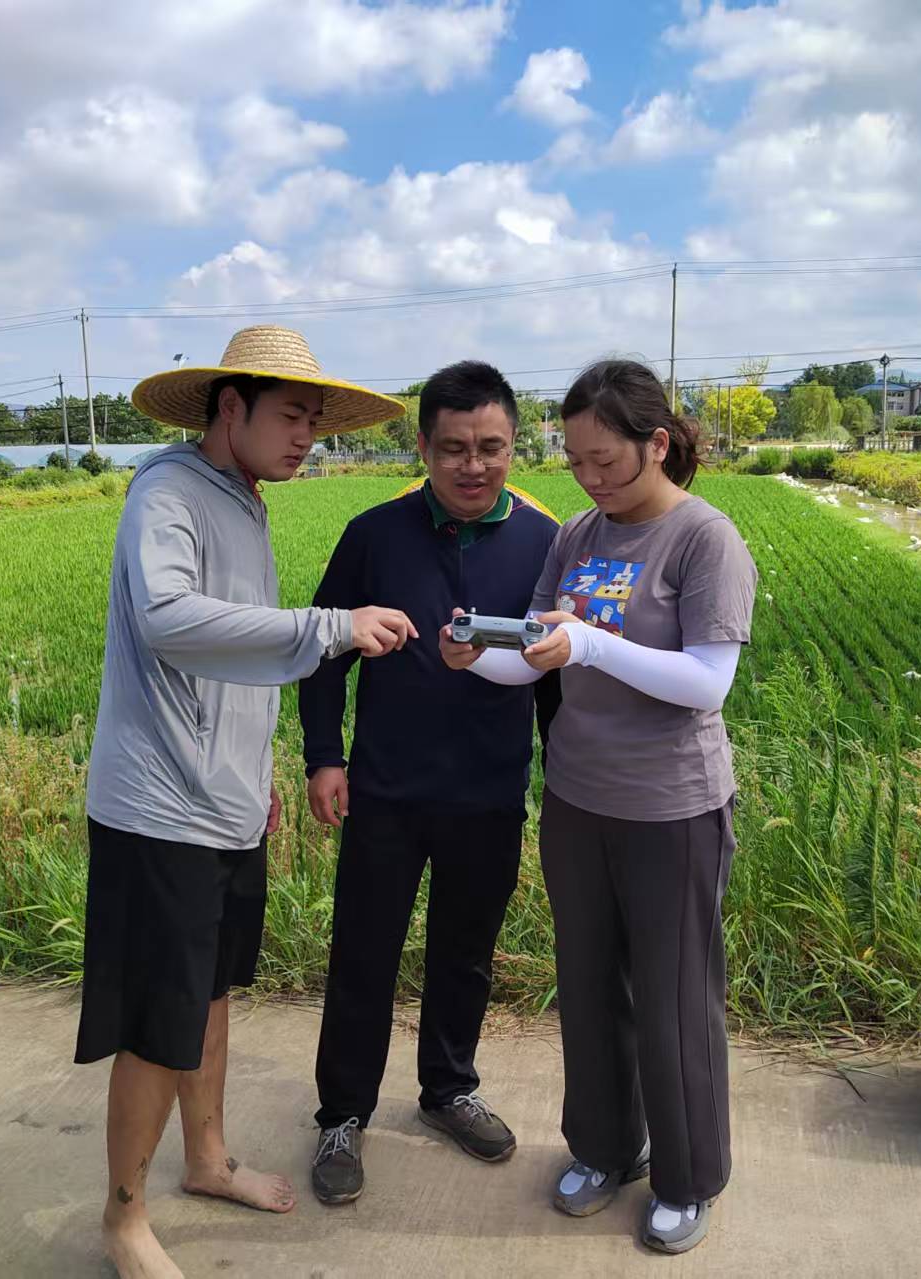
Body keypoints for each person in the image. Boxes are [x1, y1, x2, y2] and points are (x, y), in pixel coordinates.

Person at [78, 325, 418, 1279]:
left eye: (316, 417)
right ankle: (124, 1217)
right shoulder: (169, 492)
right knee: (158, 1020)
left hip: (221, 799)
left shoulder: (246, 500)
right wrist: (332, 626)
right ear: (230, 408)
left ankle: (209, 1159)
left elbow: (233, 662)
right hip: (158, 809)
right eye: (292, 414)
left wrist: (255, 764)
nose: (308, 433)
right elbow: (171, 619)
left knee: (212, 992)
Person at [439, 359, 756, 1256]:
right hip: (578, 799)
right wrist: (481, 655)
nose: (591, 478)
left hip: (673, 808)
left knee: (674, 997)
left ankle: (689, 1177)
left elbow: (706, 683)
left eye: (607, 459)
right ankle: (606, 1149)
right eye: (576, 461)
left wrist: (593, 642)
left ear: (658, 443)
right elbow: (541, 653)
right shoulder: (576, 536)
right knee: (587, 986)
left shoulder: (704, 539)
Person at [297, 361, 562, 1206]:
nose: (474, 466)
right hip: (386, 787)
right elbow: (320, 649)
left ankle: (448, 1088)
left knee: (465, 954)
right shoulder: (374, 534)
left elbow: (555, 676)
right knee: (363, 952)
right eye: (453, 449)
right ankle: (342, 1112)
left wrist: (564, 776)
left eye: (491, 447)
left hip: (489, 791)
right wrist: (323, 756)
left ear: (516, 443)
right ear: (423, 446)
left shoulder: (547, 542)